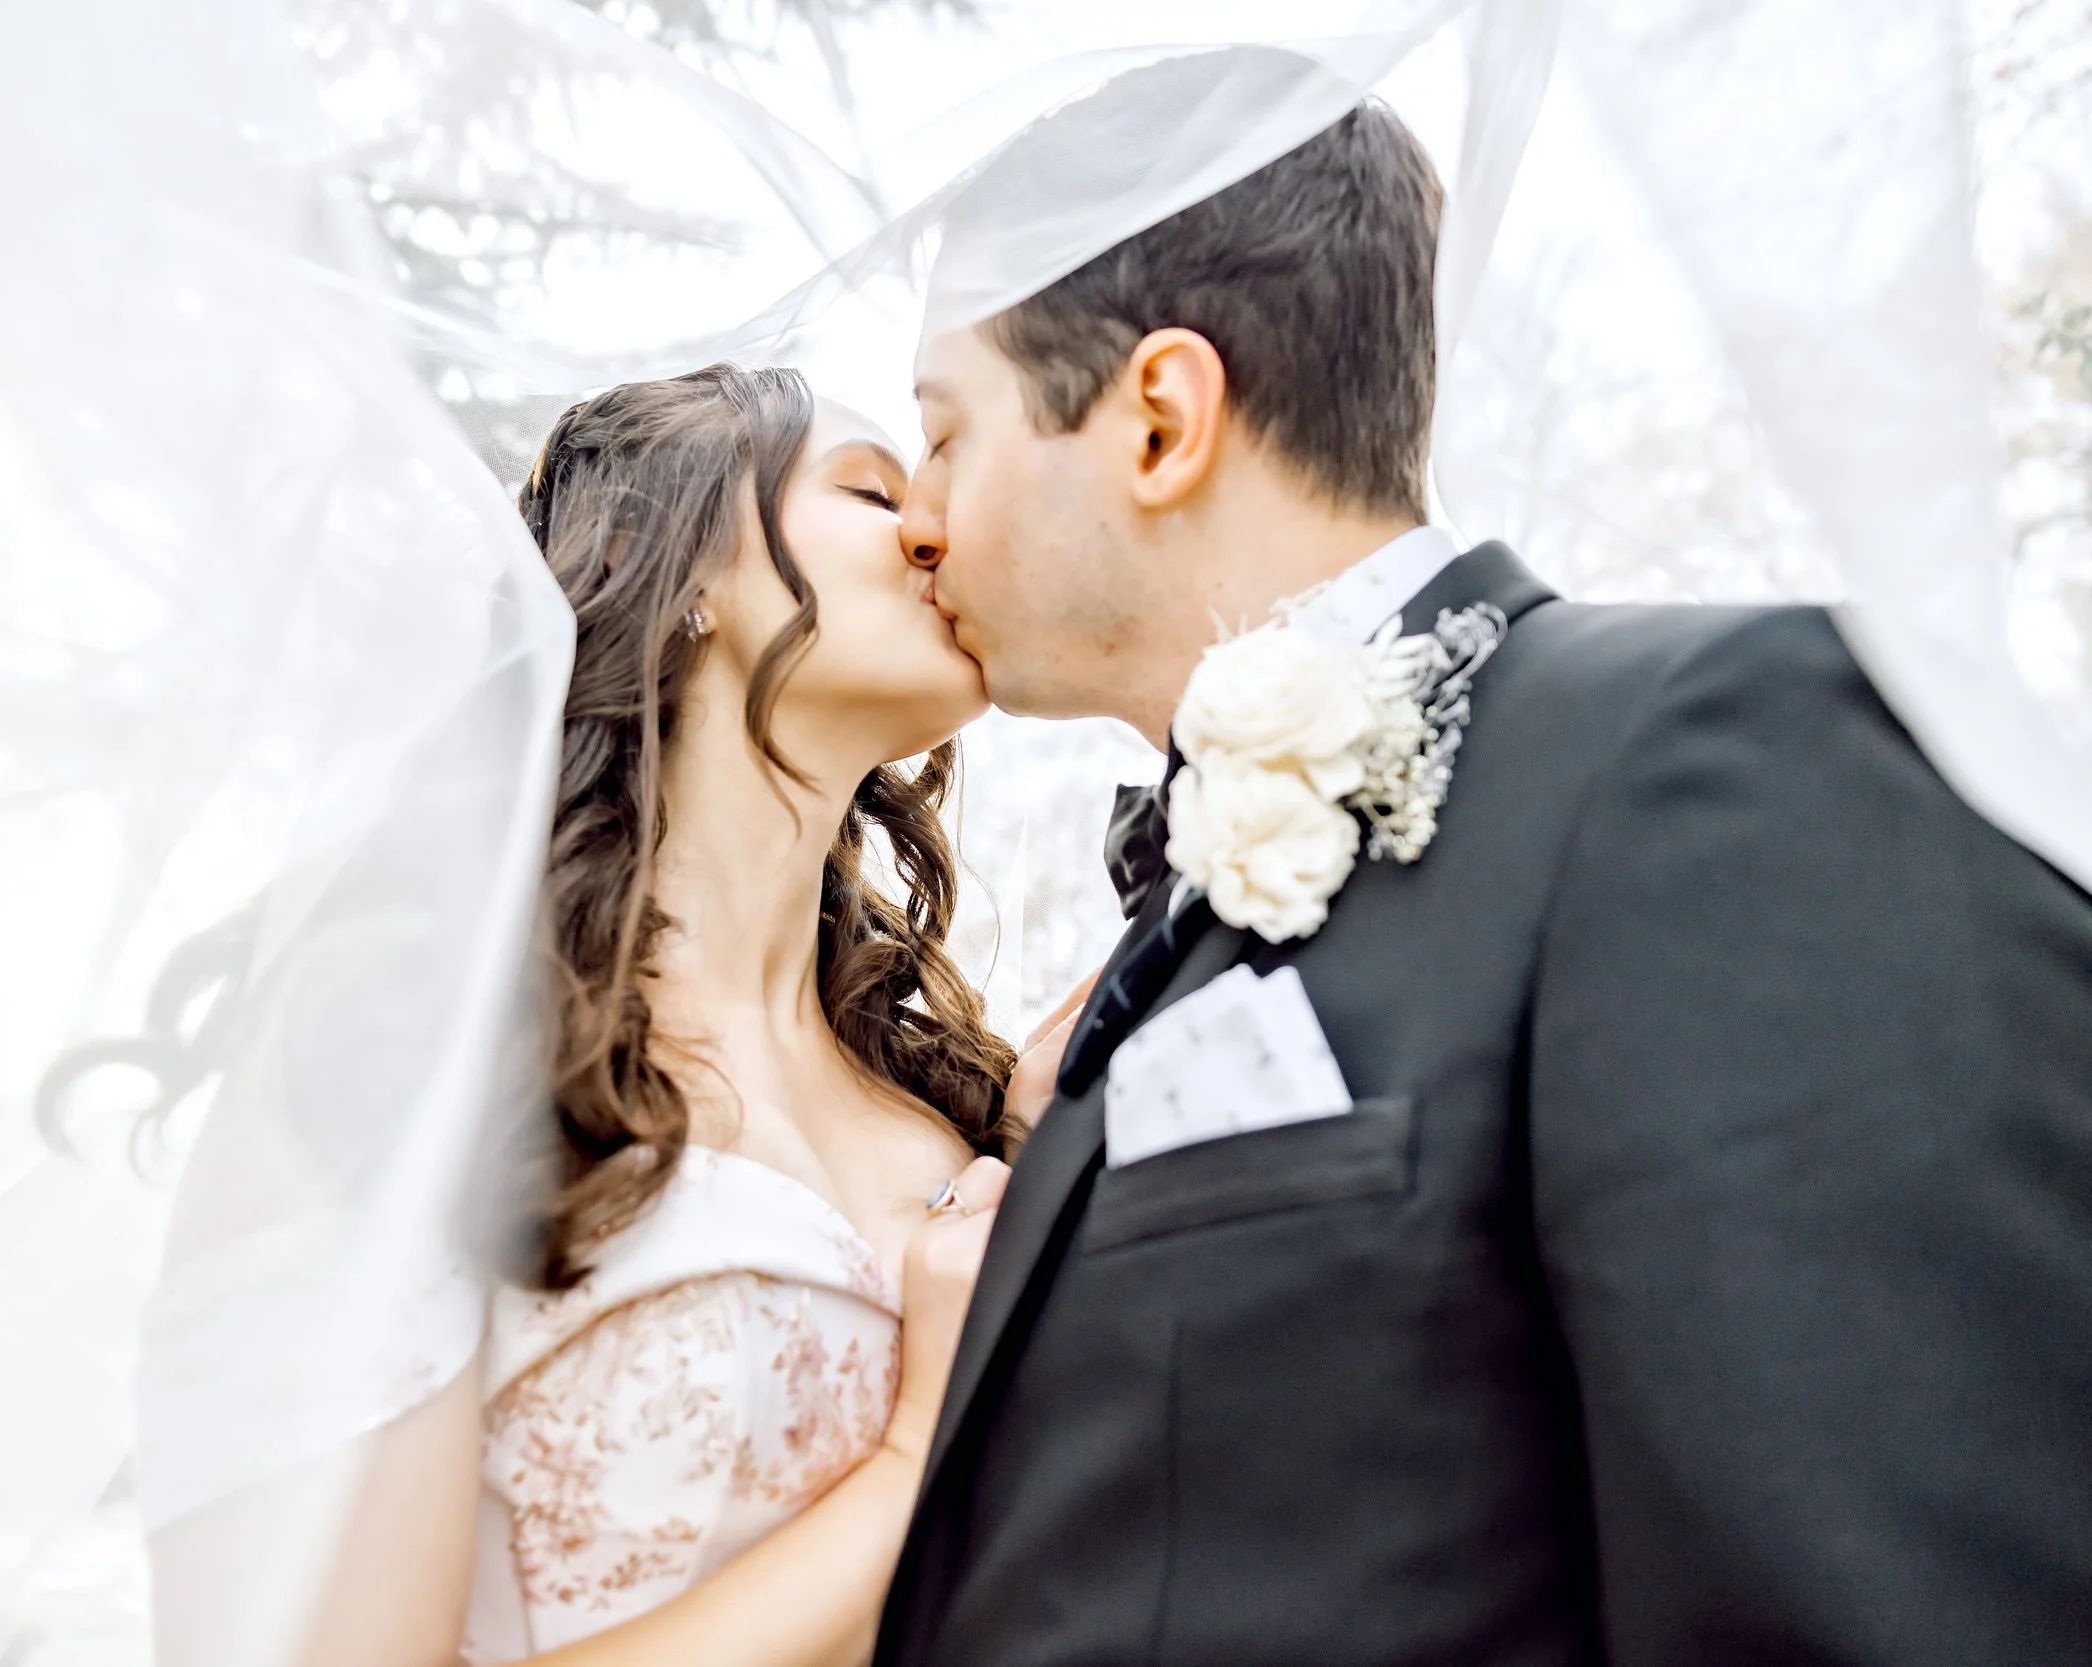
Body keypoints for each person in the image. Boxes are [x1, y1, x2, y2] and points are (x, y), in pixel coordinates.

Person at [878, 97, 2092, 1665]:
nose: (916, 521)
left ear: (1161, 421)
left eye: (944, 435)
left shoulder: (1705, 760)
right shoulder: (1165, 934)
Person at [144, 363, 1076, 1667]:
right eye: (873, 492)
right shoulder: (411, 1042)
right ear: (661, 556)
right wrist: (919, 1453)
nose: (936, 525)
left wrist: (1047, 1153)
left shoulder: (946, 1097)